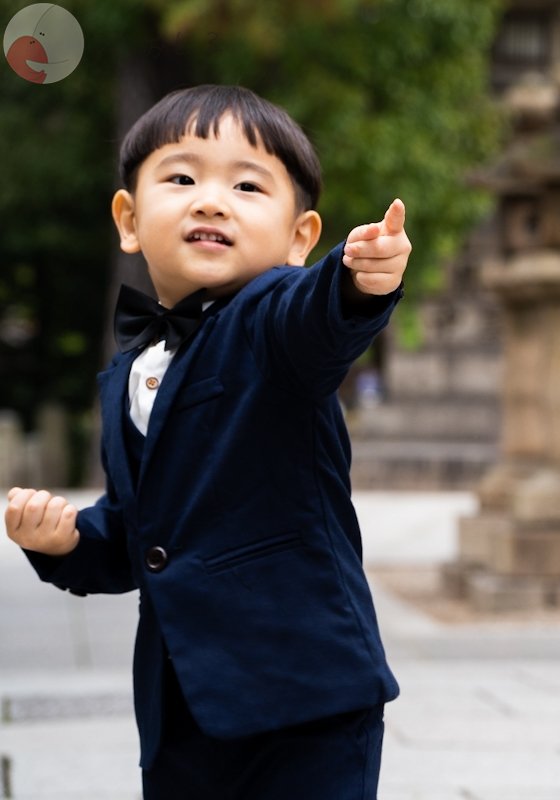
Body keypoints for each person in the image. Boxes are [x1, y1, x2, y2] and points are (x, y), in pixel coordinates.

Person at [4, 85, 408, 799]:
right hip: (180, 710)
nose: (212, 202)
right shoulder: (124, 377)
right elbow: (140, 533)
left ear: (299, 238)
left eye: (247, 186)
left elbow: (317, 316)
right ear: (129, 220)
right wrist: (65, 542)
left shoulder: (272, 325)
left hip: (305, 700)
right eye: (182, 178)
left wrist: (355, 281)